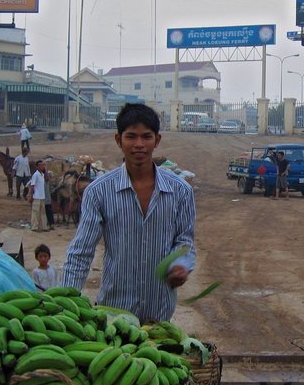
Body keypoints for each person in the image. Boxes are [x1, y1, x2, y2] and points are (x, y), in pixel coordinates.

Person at [62, 103, 196, 322]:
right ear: (118, 140)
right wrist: (65, 302)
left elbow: (185, 243)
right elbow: (81, 252)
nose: (139, 145)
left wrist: (180, 265)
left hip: (160, 316)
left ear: (157, 140)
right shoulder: (99, 191)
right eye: (131, 137)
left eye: (146, 137)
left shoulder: (181, 191)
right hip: (114, 315)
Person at [27, 159, 48, 232]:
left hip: (42, 197)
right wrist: (31, 196)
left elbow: (47, 179)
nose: (43, 167)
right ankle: (34, 227)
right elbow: (32, 186)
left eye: (43, 165)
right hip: (36, 197)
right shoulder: (35, 175)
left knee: (42, 213)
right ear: (37, 166)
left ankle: (43, 227)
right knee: (35, 213)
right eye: (41, 165)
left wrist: (46, 171)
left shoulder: (42, 174)